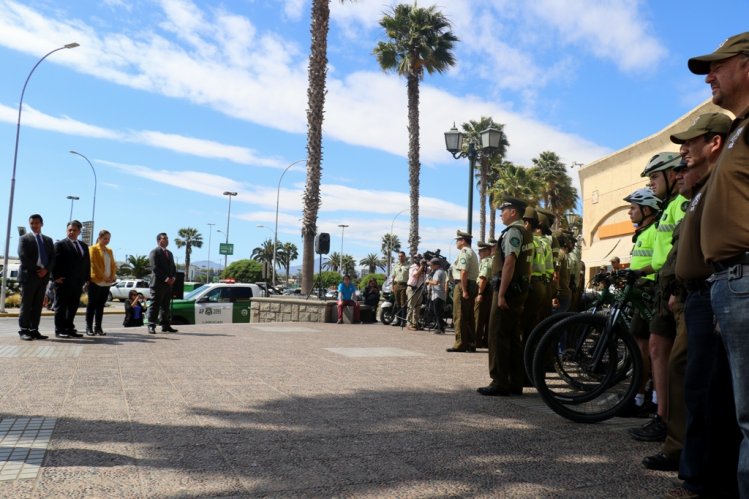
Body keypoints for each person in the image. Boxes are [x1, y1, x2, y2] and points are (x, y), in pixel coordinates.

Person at [685, 32, 749, 497]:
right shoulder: (741, 129)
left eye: (718, 65)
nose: (710, 75)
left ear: (746, 65)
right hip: (731, 284)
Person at [667, 112, 740, 497]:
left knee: (711, 392)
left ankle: (706, 480)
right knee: (698, 387)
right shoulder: (700, 190)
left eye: (692, 142)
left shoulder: (717, 184)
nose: (683, 152)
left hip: (712, 292)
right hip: (697, 295)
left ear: (714, 143)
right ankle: (696, 476)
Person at [629, 152, 687, 444]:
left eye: (654, 176)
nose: (651, 183)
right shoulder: (669, 207)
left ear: (671, 175)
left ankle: (665, 417)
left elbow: (683, 249)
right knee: (657, 349)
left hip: (672, 286)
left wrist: (678, 288)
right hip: (664, 285)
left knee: (665, 353)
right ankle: (662, 415)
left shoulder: (681, 204)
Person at [478, 197, 532, 396]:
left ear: (514, 212)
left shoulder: (513, 232)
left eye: (504, 210)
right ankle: (515, 382)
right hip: (518, 290)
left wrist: (501, 294)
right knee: (512, 337)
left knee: (498, 335)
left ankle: (499, 382)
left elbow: (509, 262)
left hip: (508, 290)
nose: (501, 213)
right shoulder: (526, 233)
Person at [16, 214, 55, 341]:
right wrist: (38, 270)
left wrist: (46, 270)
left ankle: (34, 330)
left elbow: (53, 258)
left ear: (41, 224)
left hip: (43, 277)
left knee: (38, 305)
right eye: (32, 223)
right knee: (26, 305)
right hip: (29, 276)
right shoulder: (24, 239)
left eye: (37, 223)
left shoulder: (48, 240)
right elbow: (23, 257)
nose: (34, 225)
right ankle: (24, 330)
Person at [51, 220, 90, 338]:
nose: (71, 232)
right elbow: (53, 262)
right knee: (61, 307)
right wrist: (55, 277)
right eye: (69, 230)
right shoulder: (60, 245)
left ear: (79, 231)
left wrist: (87, 278)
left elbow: (87, 263)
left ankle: (69, 328)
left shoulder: (83, 246)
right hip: (63, 282)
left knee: (73, 307)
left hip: (77, 282)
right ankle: (60, 330)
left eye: (74, 230)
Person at [446, 230, 479, 352]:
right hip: (471, 284)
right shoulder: (472, 252)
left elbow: (463, 272)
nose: (456, 242)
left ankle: (460, 343)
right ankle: (470, 343)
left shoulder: (464, 252)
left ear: (463, 241)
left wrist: (464, 290)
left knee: (459, 315)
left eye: (458, 240)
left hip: (463, 285)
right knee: (469, 315)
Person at [85, 230, 116, 336]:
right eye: (105, 238)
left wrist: (112, 276)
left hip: (107, 283)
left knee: (101, 306)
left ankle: (98, 327)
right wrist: (103, 277)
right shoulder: (93, 249)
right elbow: (93, 264)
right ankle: (89, 327)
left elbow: (113, 265)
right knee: (92, 305)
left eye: (108, 239)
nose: (107, 241)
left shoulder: (109, 250)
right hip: (96, 281)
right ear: (99, 237)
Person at [147, 232, 178, 334]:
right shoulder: (154, 252)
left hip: (168, 285)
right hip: (158, 284)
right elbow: (154, 268)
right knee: (155, 305)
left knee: (165, 306)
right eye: (164, 238)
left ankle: (165, 325)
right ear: (158, 241)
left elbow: (173, 267)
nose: (167, 240)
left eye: (167, 238)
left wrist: (173, 277)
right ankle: (151, 325)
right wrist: (166, 278)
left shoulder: (170, 253)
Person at [474, 242, 493, 348]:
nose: (479, 253)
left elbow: (483, 278)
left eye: (481, 251)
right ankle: (485, 340)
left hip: (484, 291)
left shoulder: (486, 261)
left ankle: (476, 341)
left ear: (487, 251)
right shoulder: (492, 261)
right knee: (487, 318)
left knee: (479, 317)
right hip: (489, 292)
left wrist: (480, 293)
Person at [406, 254, 427, 331]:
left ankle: (415, 324)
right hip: (412, 289)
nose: (419, 259)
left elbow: (430, 271)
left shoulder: (423, 267)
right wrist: (421, 266)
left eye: (420, 258)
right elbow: (416, 275)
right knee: (411, 306)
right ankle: (409, 324)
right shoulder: (413, 267)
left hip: (419, 289)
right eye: (417, 258)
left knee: (417, 307)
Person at [426, 257, 447, 334]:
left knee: (437, 312)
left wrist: (428, 281)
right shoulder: (443, 271)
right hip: (440, 295)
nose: (430, 266)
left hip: (437, 295)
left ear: (436, 265)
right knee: (436, 311)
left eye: (431, 265)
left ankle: (441, 328)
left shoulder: (438, 272)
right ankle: (441, 326)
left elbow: (435, 282)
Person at [390, 251, 408, 327]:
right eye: (399, 256)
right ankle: (398, 320)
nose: (400, 257)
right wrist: (392, 286)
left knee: (403, 303)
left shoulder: (408, 266)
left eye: (402, 256)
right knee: (397, 303)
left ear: (405, 257)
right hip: (397, 285)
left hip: (404, 285)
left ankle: (403, 321)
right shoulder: (396, 265)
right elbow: (393, 277)